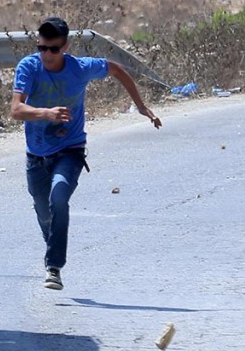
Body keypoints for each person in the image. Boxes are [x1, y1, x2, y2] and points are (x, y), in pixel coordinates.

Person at [10, 17, 162, 290]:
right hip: (36, 155)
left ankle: (54, 267)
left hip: (70, 150)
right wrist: (46, 113)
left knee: (59, 197)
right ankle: (52, 247)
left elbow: (116, 69)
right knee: (44, 213)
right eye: (42, 48)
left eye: (53, 49)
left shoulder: (80, 68)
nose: (47, 55)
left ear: (65, 47)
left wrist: (140, 106)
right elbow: (16, 110)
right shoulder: (29, 67)